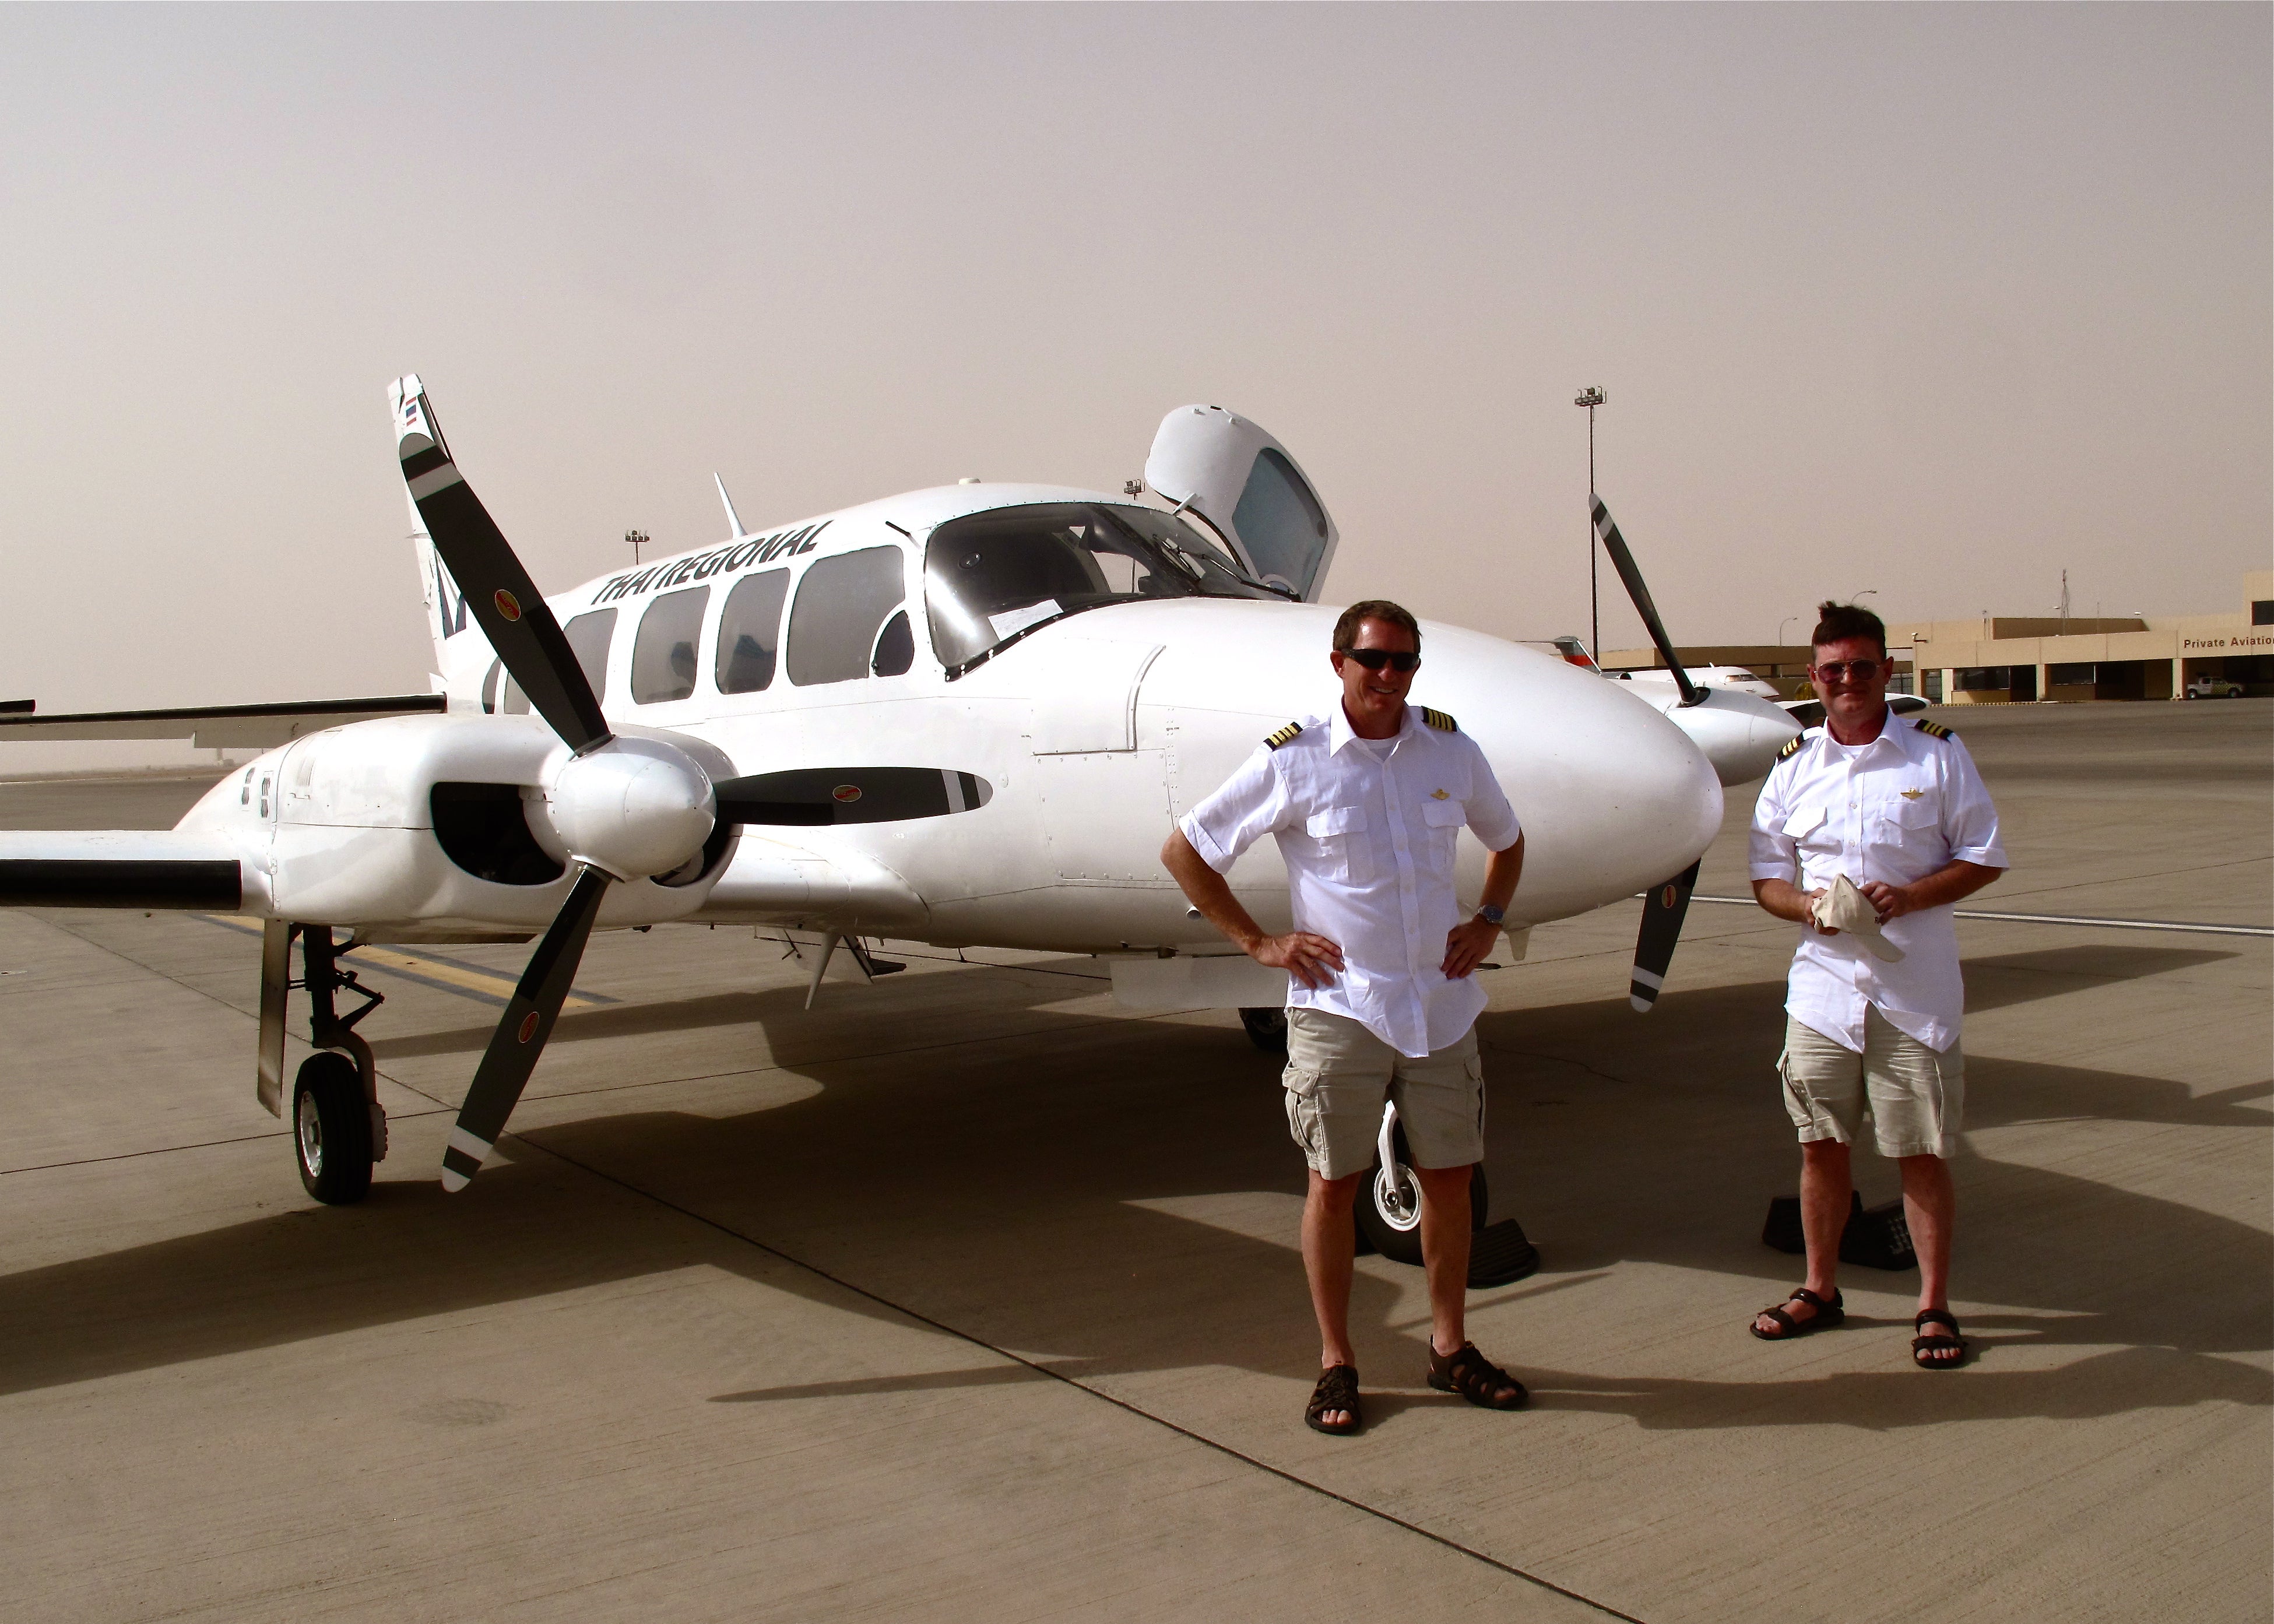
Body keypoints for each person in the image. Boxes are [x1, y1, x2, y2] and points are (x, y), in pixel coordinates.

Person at [1159, 600, 1528, 1434]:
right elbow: (1187, 849)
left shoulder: (1449, 749)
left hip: (1438, 1005)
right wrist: (1258, 942)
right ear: (1339, 663)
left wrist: (1488, 920)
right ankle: (1337, 1362)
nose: (1389, 678)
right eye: (1374, 661)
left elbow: (1506, 839)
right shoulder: (1295, 759)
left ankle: (1448, 1347)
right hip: (1339, 1007)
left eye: (1404, 662)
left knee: (1448, 1183)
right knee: (1333, 1185)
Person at [1747, 600, 2007, 1369]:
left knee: (1919, 1151)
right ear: (1814, 678)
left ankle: (1932, 1306)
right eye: (1833, 670)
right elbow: (1766, 873)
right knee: (1819, 1146)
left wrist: (1913, 895)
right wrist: (1806, 905)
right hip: (1822, 992)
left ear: (1886, 671)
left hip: (1912, 994)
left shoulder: (1935, 755)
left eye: (1863, 667)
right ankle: (1819, 1289)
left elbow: (1984, 854)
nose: (1848, 681)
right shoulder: (1793, 764)